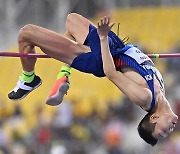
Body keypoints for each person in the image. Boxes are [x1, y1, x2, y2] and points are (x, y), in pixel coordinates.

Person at [8, 13, 178, 146]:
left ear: (154, 118)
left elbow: (111, 73)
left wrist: (103, 38)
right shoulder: (161, 89)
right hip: (115, 46)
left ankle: (29, 79)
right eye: (165, 133)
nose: (169, 131)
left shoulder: (145, 97)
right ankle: (64, 75)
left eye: (162, 132)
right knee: (72, 20)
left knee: (26, 33)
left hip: (99, 59)